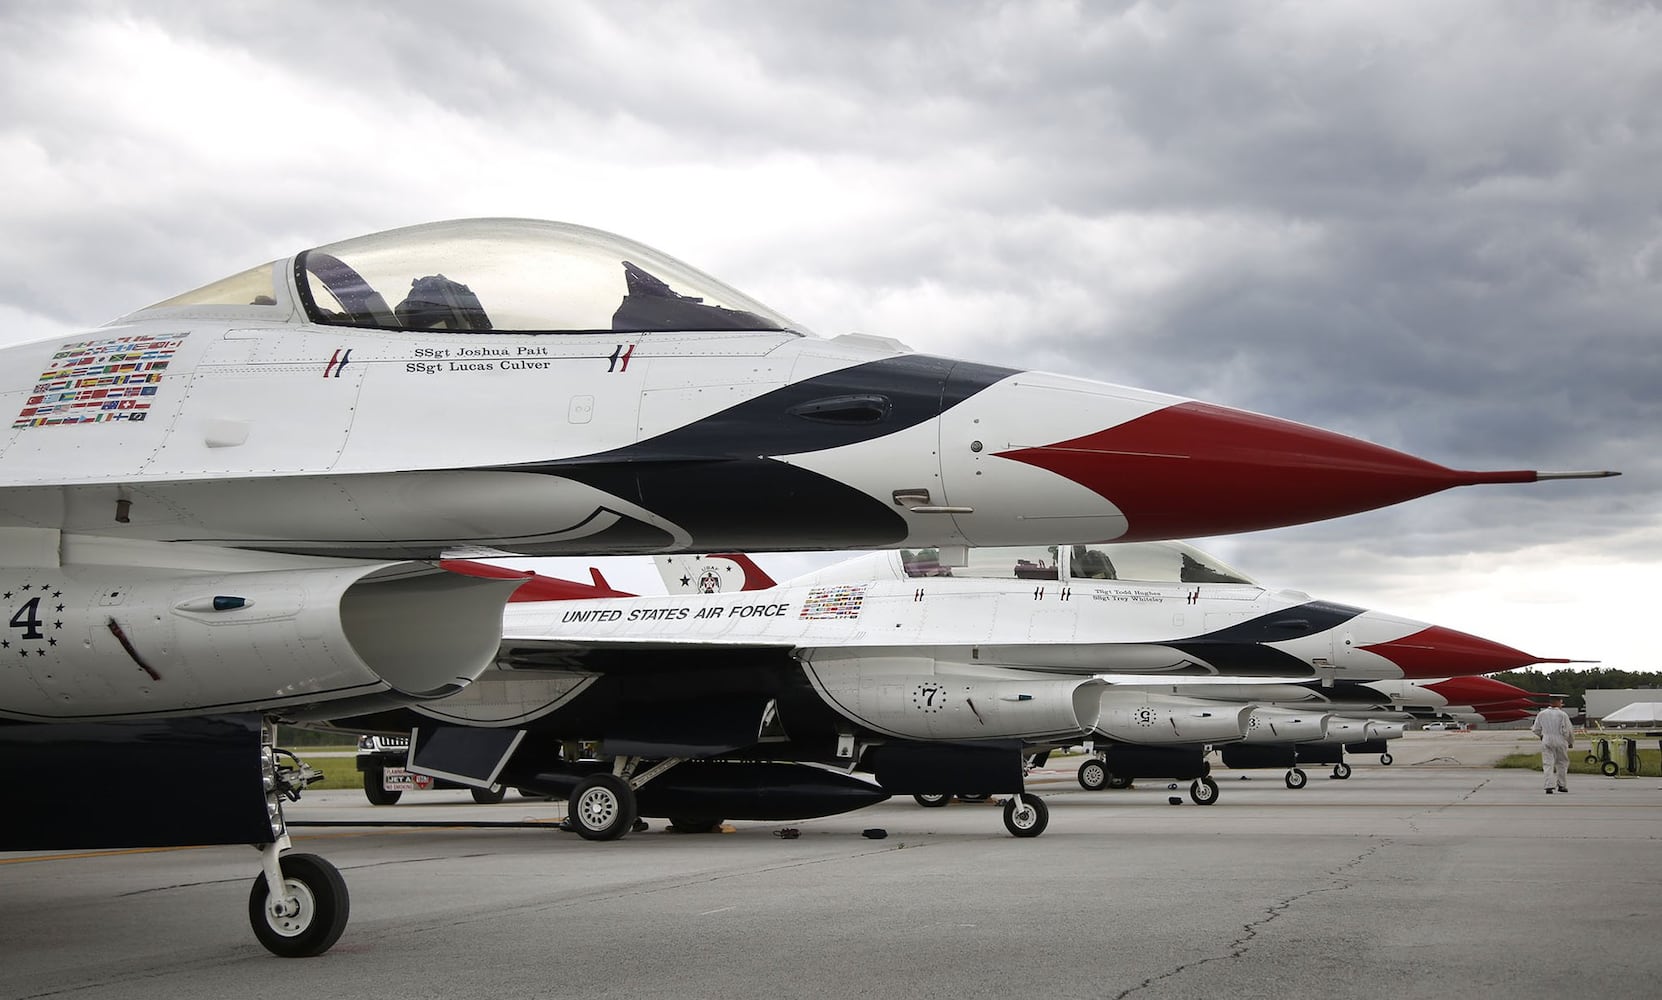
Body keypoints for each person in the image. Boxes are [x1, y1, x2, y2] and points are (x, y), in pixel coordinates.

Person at [1531, 696, 1575, 794]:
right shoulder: (1562, 715)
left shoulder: (1541, 714)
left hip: (1546, 739)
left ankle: (1549, 786)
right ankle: (1562, 785)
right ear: (1558, 702)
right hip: (1560, 739)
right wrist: (1570, 741)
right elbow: (1568, 730)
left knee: (1548, 763)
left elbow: (1536, 729)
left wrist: (1542, 736)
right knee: (1562, 763)